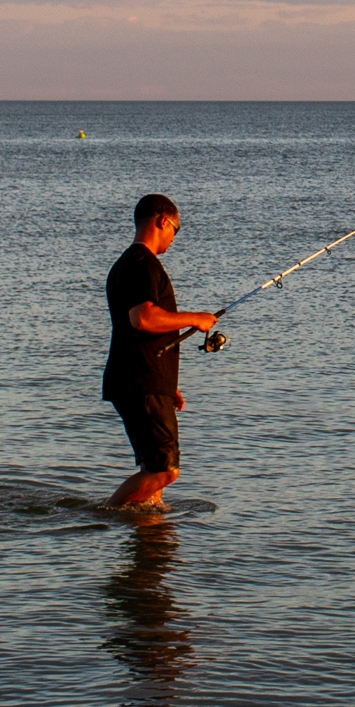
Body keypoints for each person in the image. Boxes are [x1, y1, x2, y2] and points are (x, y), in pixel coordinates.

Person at [103, 194, 219, 510]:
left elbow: (138, 335)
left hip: (142, 380)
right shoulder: (142, 263)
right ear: (163, 221)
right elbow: (142, 318)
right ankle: (101, 516)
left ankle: (149, 534)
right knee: (165, 470)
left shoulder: (126, 264)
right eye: (175, 229)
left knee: (152, 472)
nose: (173, 237)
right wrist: (196, 318)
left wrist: (168, 385)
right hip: (140, 383)